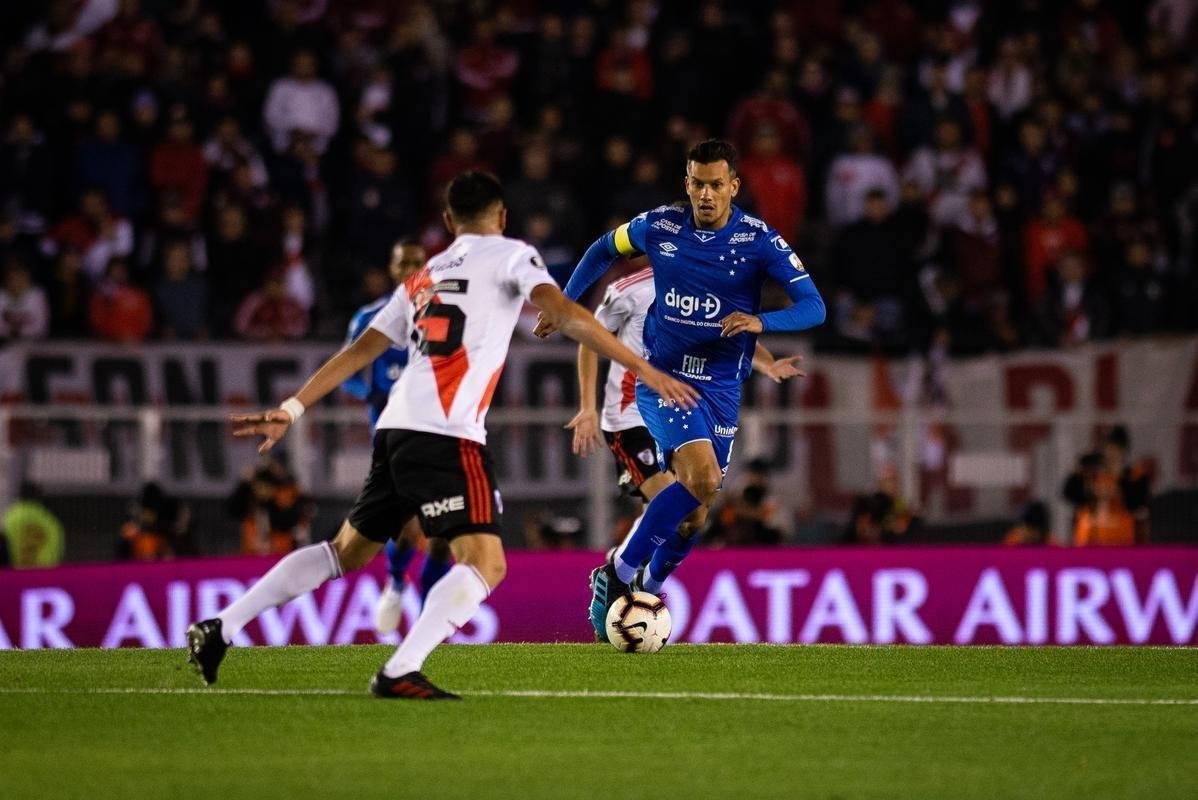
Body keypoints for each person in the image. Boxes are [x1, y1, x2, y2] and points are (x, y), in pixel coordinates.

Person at [187, 171, 697, 699]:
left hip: (396, 427)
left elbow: (360, 350)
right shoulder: (511, 255)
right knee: (487, 562)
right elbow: (565, 313)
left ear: (449, 221)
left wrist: (292, 408)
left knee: (346, 551)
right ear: (502, 218)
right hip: (446, 433)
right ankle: (399, 669)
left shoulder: (425, 274)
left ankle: (221, 626)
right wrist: (646, 368)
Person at [536, 139, 825, 641]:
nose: (706, 194)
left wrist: (761, 320)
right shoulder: (660, 226)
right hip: (665, 379)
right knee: (703, 478)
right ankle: (618, 572)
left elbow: (814, 306)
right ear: (686, 184)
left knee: (695, 516)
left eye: (716, 184)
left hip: (722, 387)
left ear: (734, 186)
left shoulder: (759, 241)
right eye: (697, 183)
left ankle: (649, 587)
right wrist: (565, 300)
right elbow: (603, 248)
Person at [566, 266, 805, 593]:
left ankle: (642, 587)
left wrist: (769, 364)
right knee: (673, 501)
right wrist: (587, 407)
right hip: (632, 415)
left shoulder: (712, 284)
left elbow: (737, 338)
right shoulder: (630, 289)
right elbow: (588, 335)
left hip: (685, 410)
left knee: (694, 515)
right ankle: (619, 576)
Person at [339, 240, 453, 633]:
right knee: (407, 530)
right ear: (392, 267)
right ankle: (395, 580)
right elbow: (349, 372)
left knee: (443, 534)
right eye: (403, 262)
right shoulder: (371, 317)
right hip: (393, 442)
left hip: (440, 437)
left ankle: (429, 617)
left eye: (417, 262)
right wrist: (371, 392)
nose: (410, 267)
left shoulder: (444, 313)